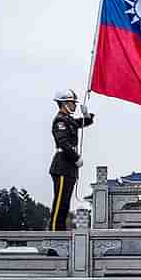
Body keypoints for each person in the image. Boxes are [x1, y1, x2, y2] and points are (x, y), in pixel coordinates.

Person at [49, 89, 94, 231]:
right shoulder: (60, 120)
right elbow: (63, 142)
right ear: (63, 104)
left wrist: (87, 115)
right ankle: (55, 236)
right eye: (71, 103)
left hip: (69, 166)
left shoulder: (68, 120)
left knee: (65, 203)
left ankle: (60, 233)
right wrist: (76, 158)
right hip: (62, 164)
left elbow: (81, 123)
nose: (74, 105)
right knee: (60, 204)